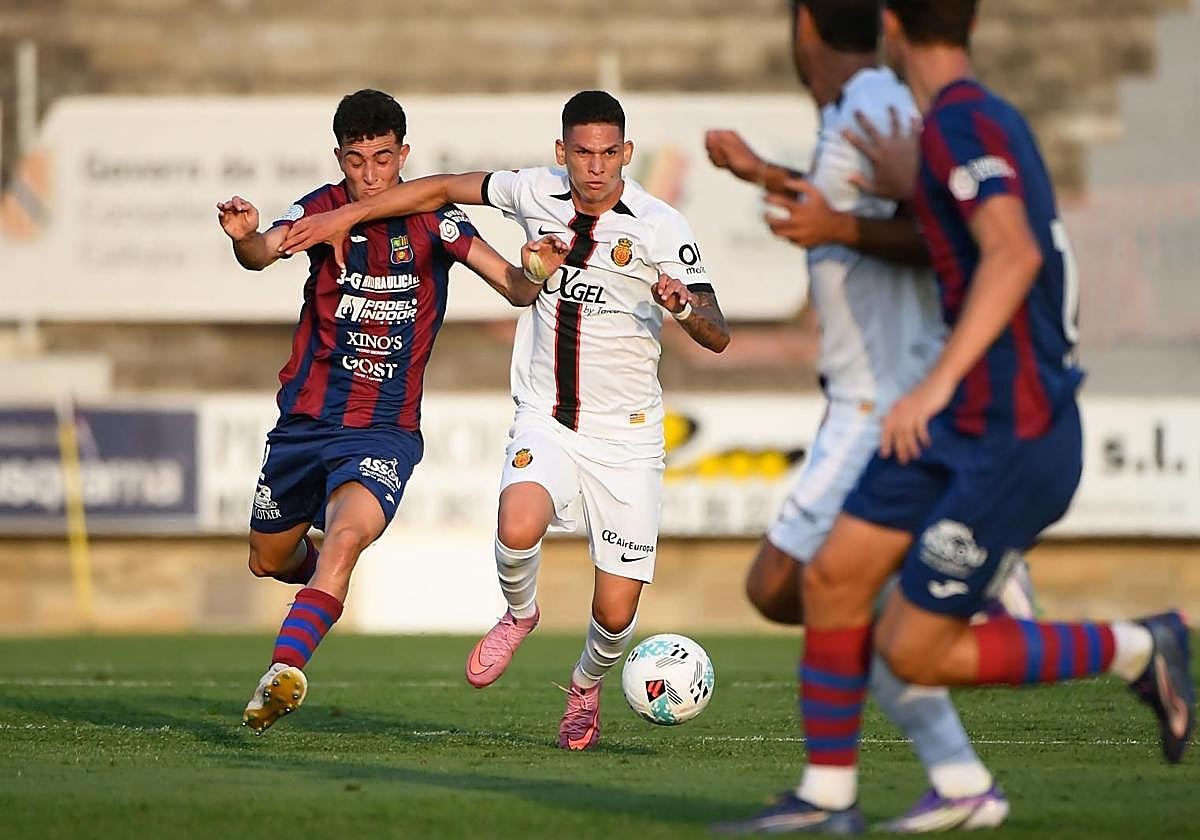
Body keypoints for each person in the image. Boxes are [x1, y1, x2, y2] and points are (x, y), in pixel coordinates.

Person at [716, 0, 1193, 833]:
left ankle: (1142, 645)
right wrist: (877, 186)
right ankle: (830, 798)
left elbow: (1012, 251)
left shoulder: (957, 124)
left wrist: (931, 388)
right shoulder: (962, 124)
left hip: (999, 424)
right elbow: (957, 232)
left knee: (907, 647)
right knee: (829, 582)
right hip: (953, 421)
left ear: (893, 24)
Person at [281, 90, 730, 750]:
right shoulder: (531, 190)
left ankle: (584, 689)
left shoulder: (663, 228)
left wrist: (682, 306)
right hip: (546, 415)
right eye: (583, 153)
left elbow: (717, 334)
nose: (596, 167)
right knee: (517, 523)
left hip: (630, 435)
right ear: (562, 153)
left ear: (627, 154)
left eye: (609, 153)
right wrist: (344, 216)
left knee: (615, 611)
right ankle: (520, 615)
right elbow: (435, 189)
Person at [706, 0, 1034, 830]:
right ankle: (956, 780)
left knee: (785, 587)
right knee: (813, 596)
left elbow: (943, 233)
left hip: (885, 399)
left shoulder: (880, 106)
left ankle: (975, 584)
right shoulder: (858, 110)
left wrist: (832, 219)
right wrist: (763, 177)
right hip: (857, 398)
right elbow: (850, 205)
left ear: (804, 27)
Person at [216, 88, 569, 735]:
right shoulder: (322, 209)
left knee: (344, 540)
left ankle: (284, 671)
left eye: (383, 159)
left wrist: (536, 269)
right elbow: (263, 251)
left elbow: (515, 288)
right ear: (340, 158)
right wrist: (243, 238)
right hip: (305, 422)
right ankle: (315, 570)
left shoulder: (437, 222)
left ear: (404, 154)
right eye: (357, 161)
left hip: (383, 429)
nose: (371, 175)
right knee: (267, 559)